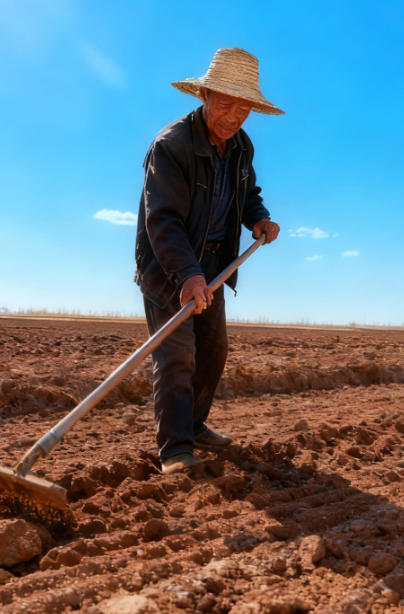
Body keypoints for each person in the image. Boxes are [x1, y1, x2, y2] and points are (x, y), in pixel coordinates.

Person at [134, 48, 282, 474]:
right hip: (169, 266)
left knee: (214, 352)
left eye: (244, 108)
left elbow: (247, 193)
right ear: (204, 95)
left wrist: (258, 219)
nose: (234, 117)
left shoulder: (240, 146)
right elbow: (163, 219)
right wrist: (187, 274)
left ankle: (194, 426)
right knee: (177, 356)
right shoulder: (171, 146)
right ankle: (176, 450)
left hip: (214, 267)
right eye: (226, 104)